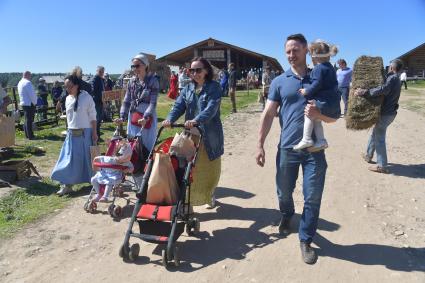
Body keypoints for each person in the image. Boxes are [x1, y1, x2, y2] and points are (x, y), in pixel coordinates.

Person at [256, 34, 339, 264]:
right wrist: (259, 144)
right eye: (288, 51)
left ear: (307, 51)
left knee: (312, 197)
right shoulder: (279, 81)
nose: (291, 55)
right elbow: (269, 113)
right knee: (284, 191)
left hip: (314, 150)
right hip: (287, 148)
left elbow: (334, 117)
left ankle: (305, 239)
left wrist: (318, 115)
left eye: (296, 50)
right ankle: (287, 214)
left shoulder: (320, 75)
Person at [162, 57, 224, 208]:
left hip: (209, 134)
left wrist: (196, 120)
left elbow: (211, 108)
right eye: (192, 70)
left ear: (206, 71)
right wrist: (169, 119)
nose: (194, 73)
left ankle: (209, 195)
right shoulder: (188, 88)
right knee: (188, 170)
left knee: (209, 169)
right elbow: (178, 106)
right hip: (191, 135)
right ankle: (188, 201)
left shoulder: (214, 87)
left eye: (198, 70)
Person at [51, 74, 97, 195]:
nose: (67, 89)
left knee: (87, 160)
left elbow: (93, 116)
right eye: (66, 87)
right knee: (68, 159)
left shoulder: (86, 97)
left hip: (85, 134)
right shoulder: (67, 99)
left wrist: (94, 133)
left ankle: (95, 183)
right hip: (72, 134)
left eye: (69, 86)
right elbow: (70, 118)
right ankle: (67, 185)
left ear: (77, 85)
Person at [355, 59, 403, 174]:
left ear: (391, 67)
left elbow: (383, 89)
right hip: (390, 113)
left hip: (386, 113)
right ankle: (368, 155)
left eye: (389, 67)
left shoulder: (392, 78)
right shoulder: (396, 78)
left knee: (379, 138)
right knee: (375, 133)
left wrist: (365, 92)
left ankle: (382, 165)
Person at [294, 39, 340, 151]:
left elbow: (316, 84)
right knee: (317, 119)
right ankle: (321, 141)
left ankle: (306, 139)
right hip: (331, 101)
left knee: (309, 114)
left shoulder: (318, 69)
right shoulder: (330, 68)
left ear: (315, 56)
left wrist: (306, 91)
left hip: (322, 101)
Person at [115, 53, 159, 152]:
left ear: (145, 65)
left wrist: (146, 117)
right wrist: (122, 116)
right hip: (134, 115)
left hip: (147, 117)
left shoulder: (153, 81)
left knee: (146, 146)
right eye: (133, 66)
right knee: (132, 144)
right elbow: (126, 101)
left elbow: (153, 103)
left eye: (137, 65)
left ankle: (146, 165)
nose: (135, 68)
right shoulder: (132, 82)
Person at [91, 137, 133, 202]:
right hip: (104, 173)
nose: (120, 160)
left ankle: (105, 196)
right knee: (93, 179)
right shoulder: (108, 158)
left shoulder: (125, 162)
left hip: (115, 176)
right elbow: (96, 159)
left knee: (109, 182)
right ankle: (99, 194)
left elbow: (131, 168)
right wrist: (96, 164)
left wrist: (126, 170)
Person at [17, 71, 37, 140]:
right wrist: (35, 102)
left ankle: (27, 135)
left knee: (27, 120)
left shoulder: (20, 83)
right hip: (29, 103)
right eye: (30, 75)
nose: (30, 77)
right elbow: (32, 94)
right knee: (29, 120)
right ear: (27, 75)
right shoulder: (27, 82)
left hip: (24, 103)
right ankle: (30, 136)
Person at [91, 66, 105, 139]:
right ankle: (96, 135)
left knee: (99, 119)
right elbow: (93, 91)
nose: (102, 73)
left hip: (100, 102)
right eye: (100, 71)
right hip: (96, 102)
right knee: (96, 119)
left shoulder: (100, 79)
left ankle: (97, 135)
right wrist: (100, 98)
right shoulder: (95, 79)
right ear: (97, 71)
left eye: (102, 71)